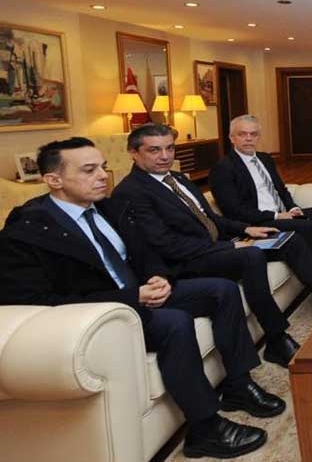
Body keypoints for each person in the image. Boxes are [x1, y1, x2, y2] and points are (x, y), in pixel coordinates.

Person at [0, 138, 283, 459]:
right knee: (175, 322)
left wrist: (157, 276)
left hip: (140, 293)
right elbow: (35, 301)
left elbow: (144, 252)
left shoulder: (108, 208)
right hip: (103, 312)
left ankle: (238, 384)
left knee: (222, 290)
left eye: (103, 167)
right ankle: (204, 429)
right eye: (89, 170)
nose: (103, 176)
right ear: (54, 180)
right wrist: (131, 297)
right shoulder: (26, 232)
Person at [112, 124, 312, 368]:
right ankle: (276, 339)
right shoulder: (131, 191)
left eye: (170, 148)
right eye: (154, 150)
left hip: (217, 245)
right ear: (133, 153)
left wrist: (246, 229)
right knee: (250, 257)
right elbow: (165, 244)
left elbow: (209, 218)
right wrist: (230, 248)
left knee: (290, 240)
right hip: (188, 261)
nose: (165, 156)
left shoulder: (177, 178)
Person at [210, 115, 312, 289]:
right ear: (231, 138)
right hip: (260, 221)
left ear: (258, 137)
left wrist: (293, 207)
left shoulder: (265, 159)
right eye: (242, 134)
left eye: (253, 134)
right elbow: (234, 211)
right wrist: (277, 215)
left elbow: (281, 190)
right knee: (304, 225)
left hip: (283, 213)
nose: (248, 138)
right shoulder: (223, 168)